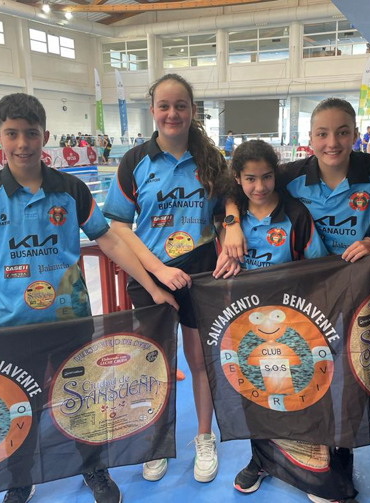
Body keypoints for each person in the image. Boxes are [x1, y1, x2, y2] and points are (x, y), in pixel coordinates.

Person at [0, 93, 177, 503]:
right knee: (12, 406)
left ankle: (93, 467)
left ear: (45, 135)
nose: (22, 143)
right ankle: (19, 478)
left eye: (31, 133)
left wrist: (153, 286)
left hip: (71, 321)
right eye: (12, 134)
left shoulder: (71, 190)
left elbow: (110, 240)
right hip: (10, 327)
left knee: (82, 400)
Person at [218, 97, 370, 503]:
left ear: (356, 134)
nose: (332, 142)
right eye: (322, 133)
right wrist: (231, 222)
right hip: (293, 299)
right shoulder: (290, 176)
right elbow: (238, 185)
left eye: (342, 132)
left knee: (341, 377)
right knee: (271, 375)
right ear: (310, 138)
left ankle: (338, 456)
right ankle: (263, 458)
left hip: (349, 290)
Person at [102, 73, 229, 484]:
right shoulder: (135, 161)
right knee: (153, 363)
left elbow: (226, 209)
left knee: (199, 360)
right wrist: (156, 273)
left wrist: (231, 231)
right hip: (150, 273)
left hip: (201, 272)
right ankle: (155, 440)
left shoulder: (210, 160)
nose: (172, 113)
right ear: (152, 110)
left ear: (192, 111)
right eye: (164, 106)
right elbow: (118, 227)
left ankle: (204, 437)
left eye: (181, 106)